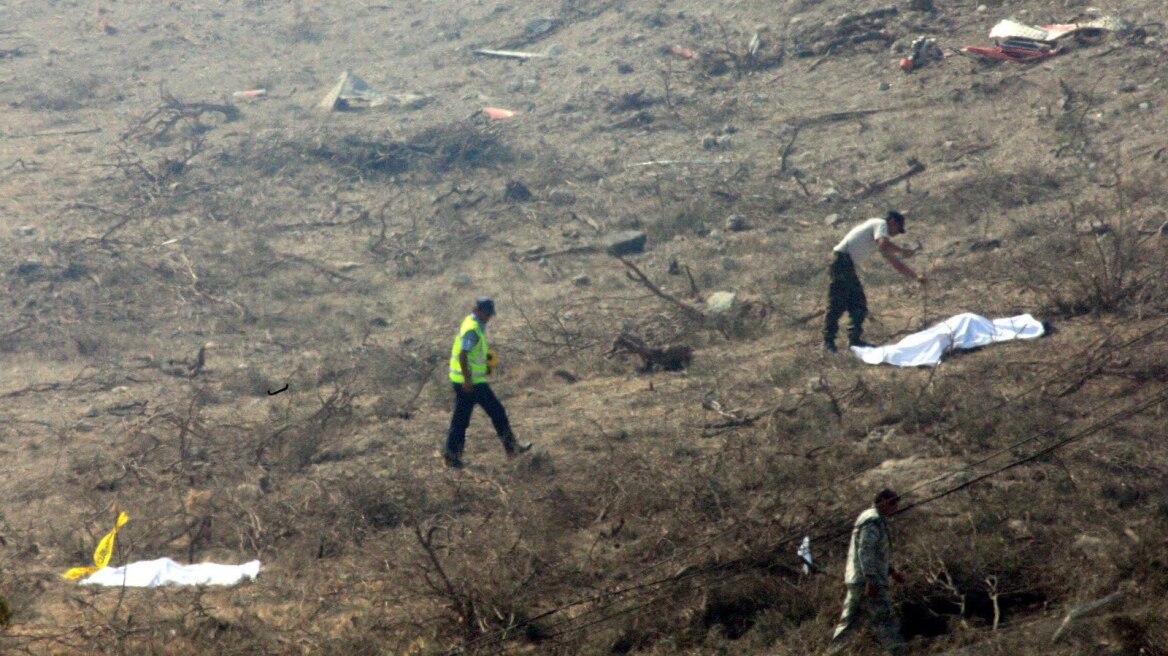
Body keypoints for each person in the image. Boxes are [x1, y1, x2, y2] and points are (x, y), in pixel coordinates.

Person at [443, 297, 531, 468]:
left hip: (469, 381)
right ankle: (511, 450)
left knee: (464, 420)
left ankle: (452, 457)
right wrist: (468, 380)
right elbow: (463, 355)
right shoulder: (473, 329)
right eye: (487, 314)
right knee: (494, 413)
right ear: (478, 310)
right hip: (470, 383)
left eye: (490, 314)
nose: (489, 317)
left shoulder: (471, 322)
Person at [824, 211, 927, 353]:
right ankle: (828, 343)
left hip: (846, 265)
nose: (896, 234)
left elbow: (896, 263)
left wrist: (916, 277)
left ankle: (854, 341)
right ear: (892, 222)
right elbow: (884, 245)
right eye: (897, 229)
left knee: (858, 304)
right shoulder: (880, 224)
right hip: (841, 261)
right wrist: (902, 251)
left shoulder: (878, 239)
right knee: (837, 303)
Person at [828, 489, 907, 655]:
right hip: (868, 580)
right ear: (883, 501)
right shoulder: (873, 520)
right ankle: (897, 652)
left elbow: (876, 553)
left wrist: (891, 571)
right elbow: (866, 551)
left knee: (849, 624)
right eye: (893, 504)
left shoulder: (872, 519)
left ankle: (833, 652)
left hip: (858, 578)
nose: (894, 509)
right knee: (886, 619)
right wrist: (871, 579)